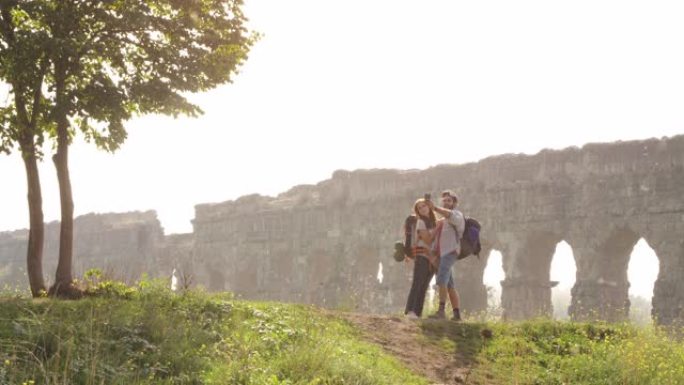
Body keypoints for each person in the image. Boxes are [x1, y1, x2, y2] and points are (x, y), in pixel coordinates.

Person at [427, 190, 465, 321]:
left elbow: (449, 215)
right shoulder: (442, 221)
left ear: (454, 203)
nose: (446, 202)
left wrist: (435, 208)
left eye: (449, 200)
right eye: (444, 200)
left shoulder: (457, 215)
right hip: (442, 254)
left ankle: (441, 311)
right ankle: (457, 314)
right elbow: (435, 238)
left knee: (442, 278)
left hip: (451, 252)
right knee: (449, 285)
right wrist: (432, 255)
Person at [404, 197, 437, 318]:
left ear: (429, 206)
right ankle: (410, 311)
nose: (422, 209)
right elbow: (427, 240)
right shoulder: (421, 222)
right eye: (419, 208)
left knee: (424, 285)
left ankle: (417, 312)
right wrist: (438, 229)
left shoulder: (434, 222)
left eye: (424, 206)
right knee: (417, 283)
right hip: (422, 256)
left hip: (432, 258)